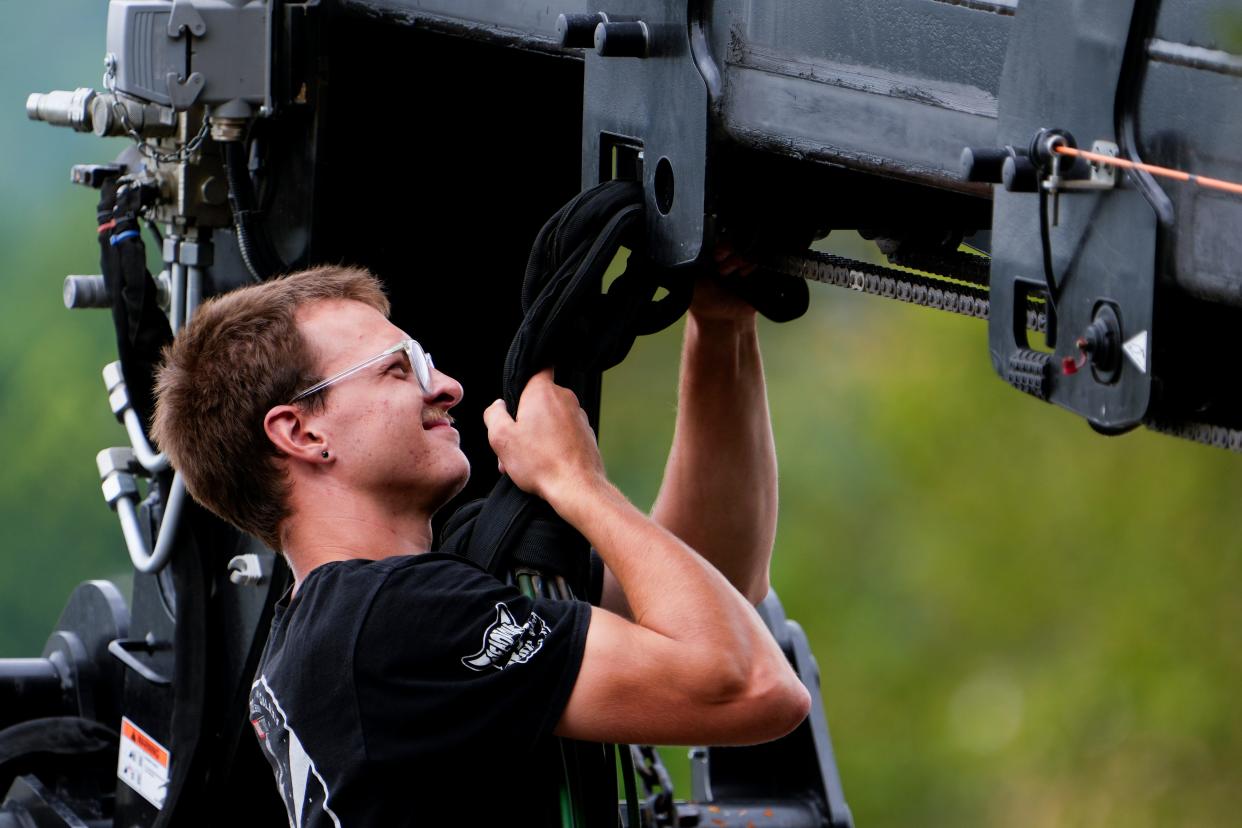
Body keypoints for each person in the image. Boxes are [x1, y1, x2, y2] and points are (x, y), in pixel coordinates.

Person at [151, 262, 810, 826]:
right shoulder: (391, 618)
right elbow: (749, 684)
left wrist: (721, 326)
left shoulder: (347, 625)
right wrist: (575, 481)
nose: (446, 386)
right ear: (301, 434)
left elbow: (713, 597)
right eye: (396, 369)